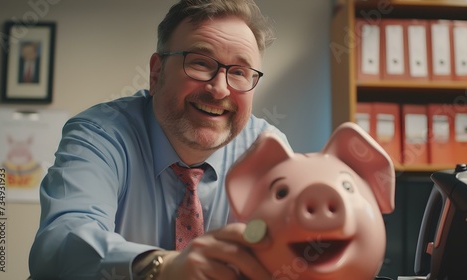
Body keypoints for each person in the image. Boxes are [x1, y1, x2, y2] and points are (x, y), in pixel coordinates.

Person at [28, 0, 289, 279]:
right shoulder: (100, 133)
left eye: (238, 72)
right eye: (200, 63)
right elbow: (59, 245)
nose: (219, 89)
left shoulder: (266, 148)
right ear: (156, 72)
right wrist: (163, 267)